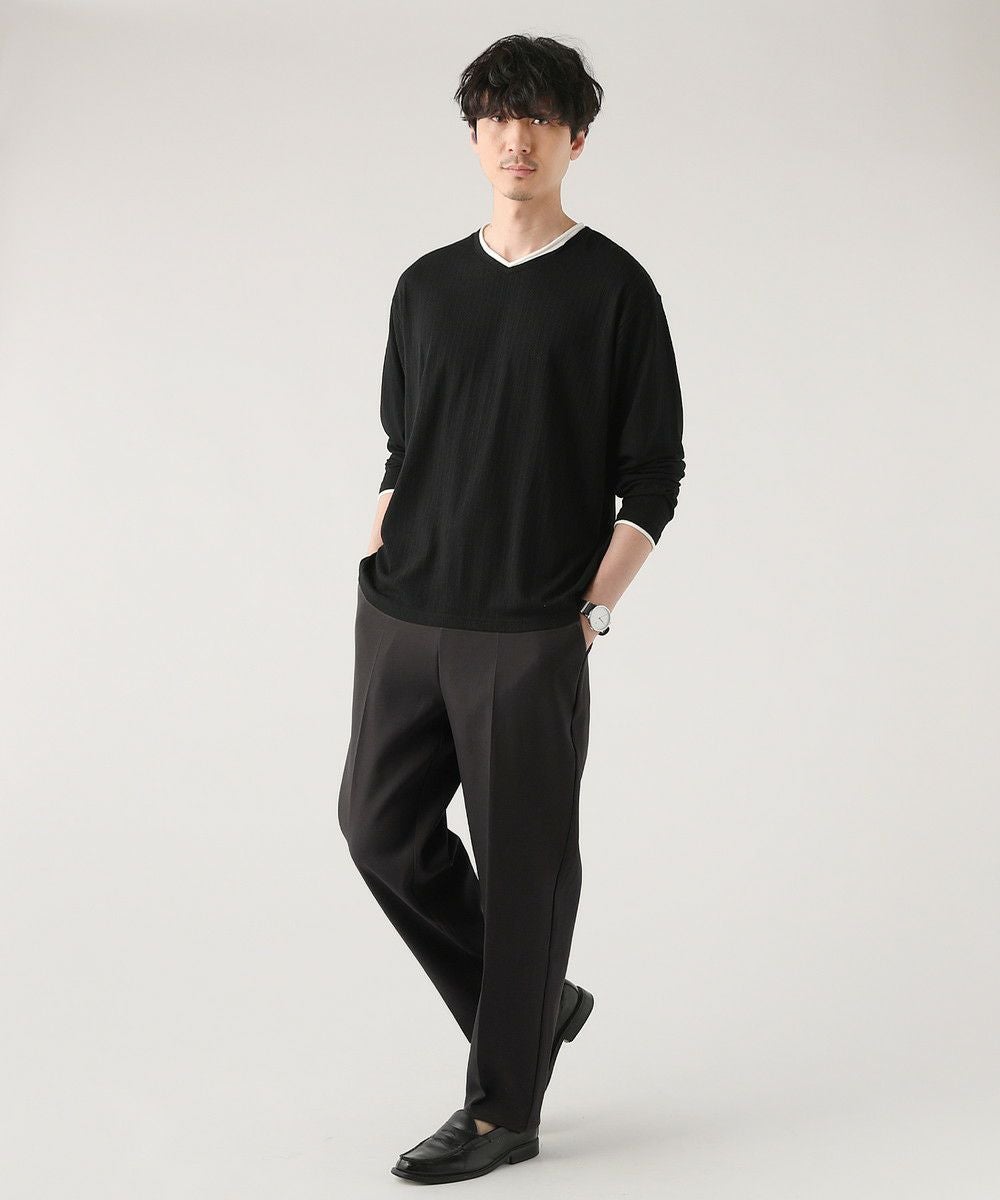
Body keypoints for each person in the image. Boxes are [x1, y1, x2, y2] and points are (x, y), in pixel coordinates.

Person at [337, 33, 686, 1184]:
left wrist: (587, 612)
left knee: (524, 866)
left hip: (527, 632)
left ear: (575, 137)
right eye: (495, 116)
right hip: (405, 613)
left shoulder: (614, 289)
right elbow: (405, 442)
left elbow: (654, 477)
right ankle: (540, 1001)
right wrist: (379, 539)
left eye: (537, 117)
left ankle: (502, 1112)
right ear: (474, 134)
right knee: (377, 831)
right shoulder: (426, 285)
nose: (514, 138)